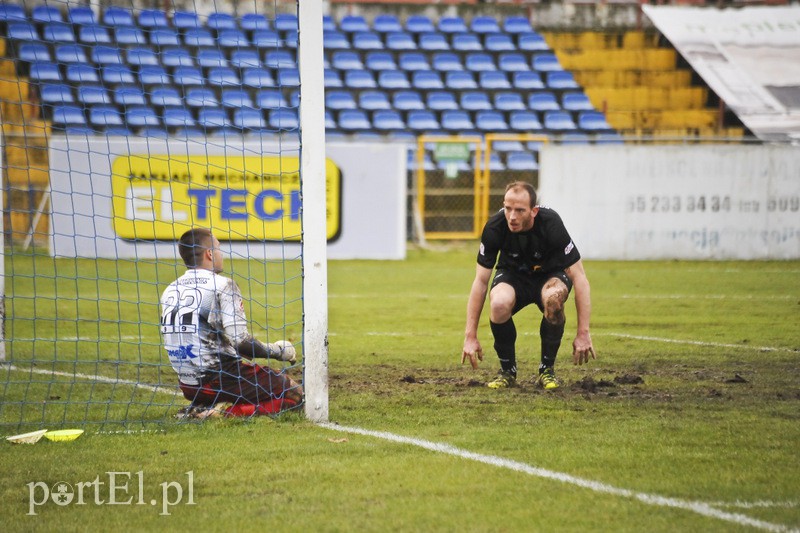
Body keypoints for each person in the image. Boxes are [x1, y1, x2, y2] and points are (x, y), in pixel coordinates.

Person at [462, 181, 596, 390]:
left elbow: (580, 278)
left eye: (519, 210)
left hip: (550, 275)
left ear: (534, 211)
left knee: (553, 300)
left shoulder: (551, 224)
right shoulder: (494, 227)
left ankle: (547, 370)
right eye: (508, 208)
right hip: (513, 276)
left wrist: (583, 333)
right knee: (498, 303)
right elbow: (480, 282)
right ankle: (507, 371)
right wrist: (470, 336)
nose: (512, 216)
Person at [160, 228, 303, 417]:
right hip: (220, 378)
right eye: (219, 249)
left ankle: (202, 406)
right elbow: (242, 343)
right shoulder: (222, 285)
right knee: (296, 396)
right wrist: (277, 351)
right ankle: (223, 413)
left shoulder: (170, 289)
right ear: (209, 254)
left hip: (188, 385)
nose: (221, 255)